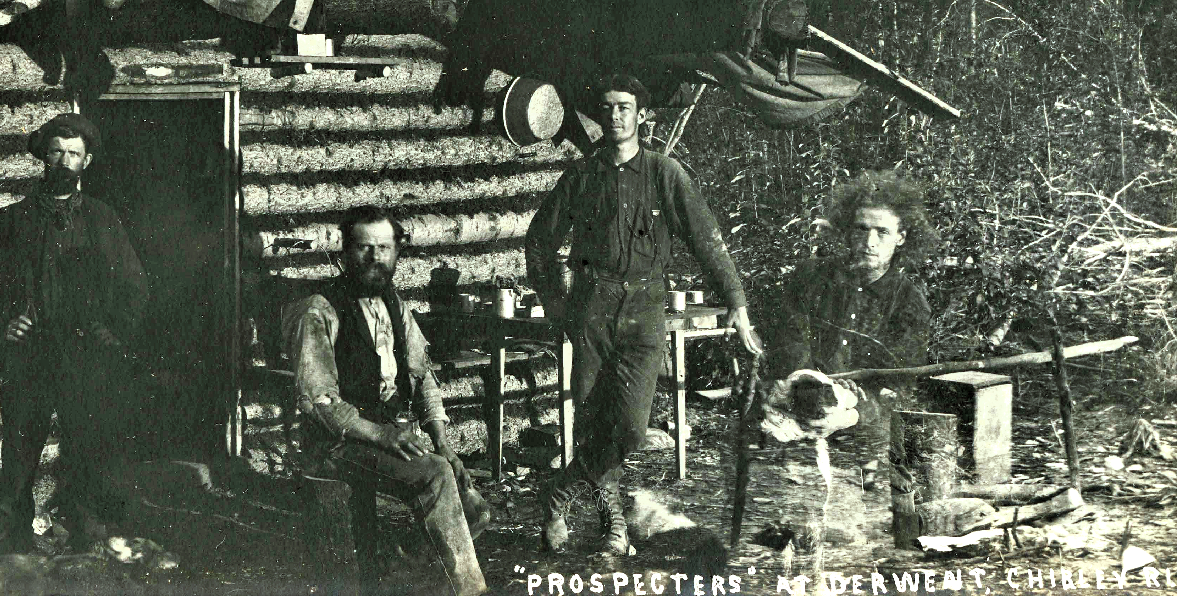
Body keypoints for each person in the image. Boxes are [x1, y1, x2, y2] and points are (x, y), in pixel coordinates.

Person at [524, 73, 764, 555]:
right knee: (594, 421)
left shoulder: (664, 174)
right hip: (592, 308)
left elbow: (706, 241)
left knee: (630, 427)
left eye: (625, 107)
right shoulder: (581, 176)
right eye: (608, 107)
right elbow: (538, 242)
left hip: (645, 308)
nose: (615, 116)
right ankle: (614, 525)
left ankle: (558, 493)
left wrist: (737, 305)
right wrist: (557, 304)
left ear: (642, 115)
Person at [0, 113, 148, 554]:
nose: (64, 161)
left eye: (74, 154)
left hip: (84, 356)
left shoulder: (101, 218)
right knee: (19, 455)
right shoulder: (15, 220)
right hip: (29, 356)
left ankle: (89, 542)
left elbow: (135, 286)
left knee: (87, 447)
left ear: (88, 161)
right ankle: (12, 545)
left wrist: (112, 332)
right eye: (57, 151)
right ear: (44, 156)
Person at [283, 206, 488, 596]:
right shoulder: (321, 310)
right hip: (337, 443)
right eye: (363, 248)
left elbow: (422, 375)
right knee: (434, 476)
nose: (375, 258)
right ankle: (472, 591)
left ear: (397, 252)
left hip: (381, 438)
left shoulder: (394, 303)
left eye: (384, 248)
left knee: (474, 504)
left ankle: (403, 562)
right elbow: (321, 403)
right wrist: (380, 434)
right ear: (345, 253)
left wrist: (445, 445)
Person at [768, 170, 936, 486]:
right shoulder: (813, 278)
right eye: (861, 230)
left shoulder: (910, 301)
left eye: (882, 232)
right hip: (803, 397)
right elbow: (789, 339)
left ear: (901, 238)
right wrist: (808, 382)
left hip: (867, 412)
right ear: (847, 233)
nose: (869, 243)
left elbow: (901, 372)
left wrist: (857, 399)